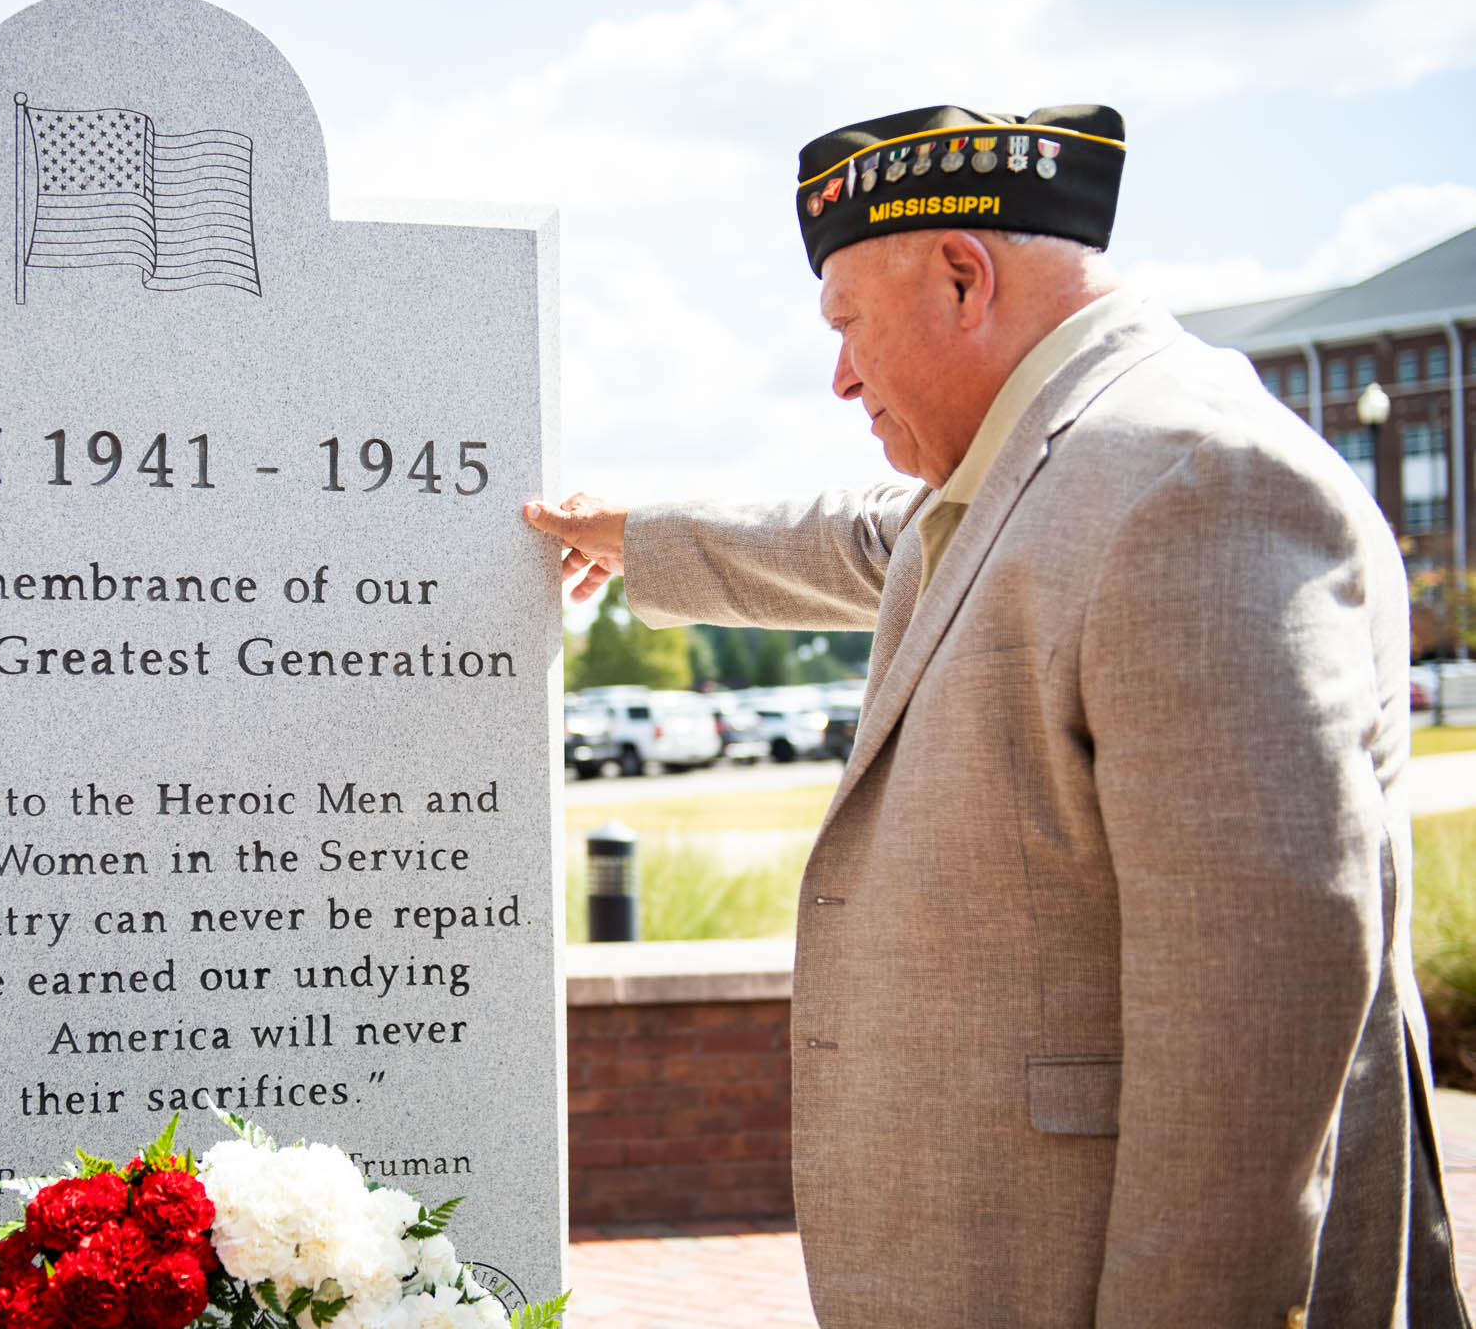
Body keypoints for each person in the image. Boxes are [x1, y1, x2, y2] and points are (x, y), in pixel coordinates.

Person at [526, 104, 1468, 1327]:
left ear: (963, 275)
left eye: (849, 323)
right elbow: (870, 536)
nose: (841, 375)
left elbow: (1251, 1042)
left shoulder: (1196, 478)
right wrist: (632, 537)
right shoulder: (1057, 454)